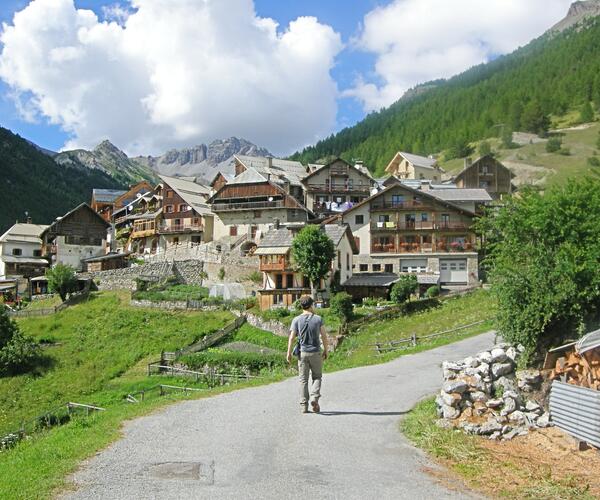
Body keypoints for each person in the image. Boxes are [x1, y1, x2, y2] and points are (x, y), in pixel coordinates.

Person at [286, 295, 329, 413]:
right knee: (317, 377)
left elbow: (291, 338)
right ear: (311, 305)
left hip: (302, 353)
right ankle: (315, 397)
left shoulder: (296, 320)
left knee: (303, 380)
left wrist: (288, 353)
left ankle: (303, 406)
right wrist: (326, 350)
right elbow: (324, 336)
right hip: (315, 352)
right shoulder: (318, 319)